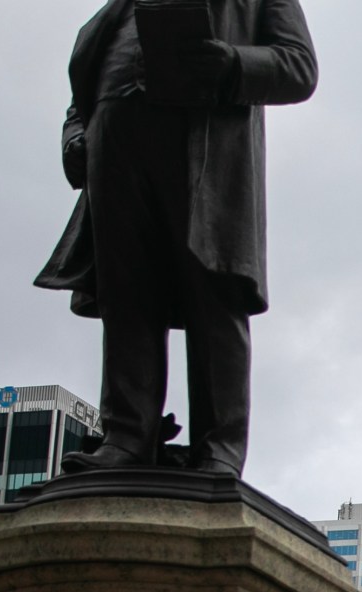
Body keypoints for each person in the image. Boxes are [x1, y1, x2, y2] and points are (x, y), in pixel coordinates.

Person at [35, 0, 317, 479]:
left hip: (205, 146)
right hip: (115, 147)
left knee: (214, 288)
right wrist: (76, 134)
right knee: (126, 296)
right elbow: (88, 77)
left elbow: (299, 67)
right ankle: (127, 436)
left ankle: (219, 448)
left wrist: (230, 61)